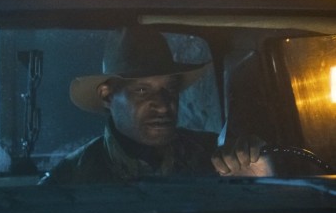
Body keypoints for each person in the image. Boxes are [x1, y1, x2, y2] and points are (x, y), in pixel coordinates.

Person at [40, 26, 274, 185]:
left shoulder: (217, 156)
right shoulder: (71, 179)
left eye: (170, 89)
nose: (163, 106)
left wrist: (259, 177)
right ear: (107, 97)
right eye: (142, 90)